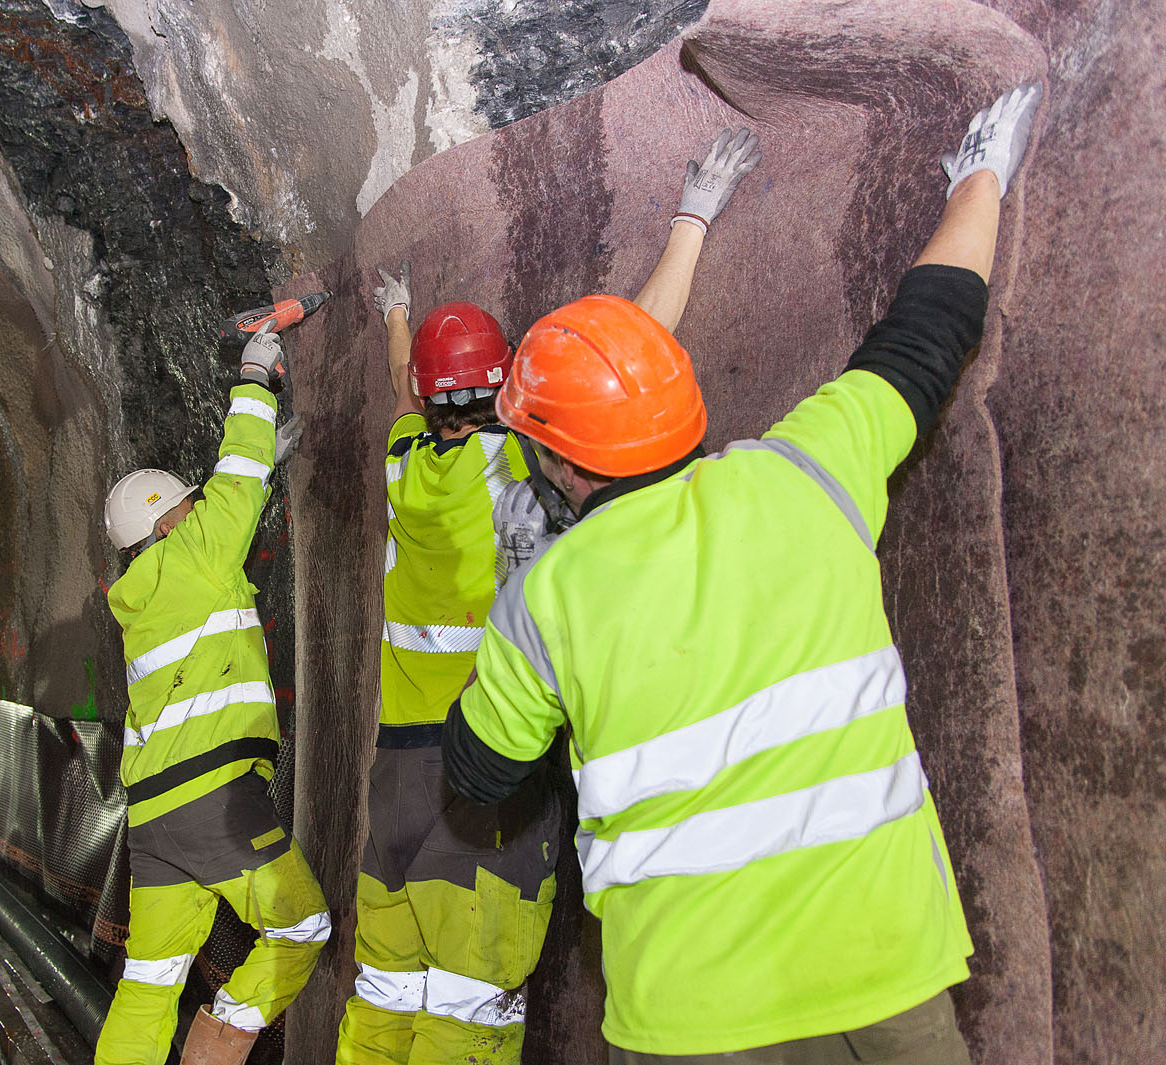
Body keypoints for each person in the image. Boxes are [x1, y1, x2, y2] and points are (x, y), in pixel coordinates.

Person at [442, 84, 1042, 1064]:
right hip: (886, 968)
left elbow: (476, 775)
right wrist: (981, 176)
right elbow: (926, 333)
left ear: (559, 464)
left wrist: (518, 611)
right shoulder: (807, 471)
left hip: (692, 1014)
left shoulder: (548, 600)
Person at [335, 129, 762, 1065]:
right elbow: (629, 362)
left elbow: (408, 392)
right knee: (465, 1018)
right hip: (483, 781)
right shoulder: (518, 470)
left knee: (381, 1003)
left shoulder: (407, 466)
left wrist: (397, 314)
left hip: (394, 782)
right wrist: (691, 215)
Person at [95, 323, 329, 1065]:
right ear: (167, 523)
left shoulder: (139, 595)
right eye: (188, 506)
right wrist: (257, 371)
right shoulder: (195, 555)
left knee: (150, 980)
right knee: (301, 926)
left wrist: (252, 487)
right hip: (213, 803)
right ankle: (215, 1049)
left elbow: (232, 499)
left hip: (153, 820)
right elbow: (235, 471)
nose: (200, 511)